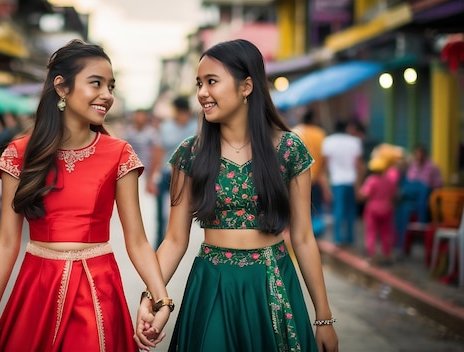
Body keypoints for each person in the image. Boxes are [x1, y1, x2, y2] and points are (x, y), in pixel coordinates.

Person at [137, 39, 338, 352]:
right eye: (199, 84)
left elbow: (302, 237)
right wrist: (151, 297)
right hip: (212, 282)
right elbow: (175, 240)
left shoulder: (289, 150)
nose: (202, 92)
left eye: (212, 82)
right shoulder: (190, 154)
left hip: (272, 283)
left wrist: (323, 317)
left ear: (246, 87)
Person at [0, 39, 171, 352]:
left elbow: (137, 241)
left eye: (111, 86)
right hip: (36, 289)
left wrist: (161, 299)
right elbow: (7, 241)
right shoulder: (20, 154)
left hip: (98, 291)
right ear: (62, 87)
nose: (106, 95)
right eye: (96, 83)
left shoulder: (120, 154)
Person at [146, 96, 197, 249]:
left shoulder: (196, 127)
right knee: (161, 215)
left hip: (190, 177)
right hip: (167, 174)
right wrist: (151, 179)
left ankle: (177, 245)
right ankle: (159, 247)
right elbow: (158, 152)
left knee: (184, 215)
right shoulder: (166, 127)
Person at [322, 120, 364, 246]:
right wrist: (359, 183)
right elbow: (358, 165)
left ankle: (338, 238)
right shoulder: (355, 141)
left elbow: (325, 165)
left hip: (337, 180)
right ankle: (350, 238)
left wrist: (326, 186)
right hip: (352, 180)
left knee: (338, 210)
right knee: (351, 210)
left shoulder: (328, 141)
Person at [293, 109, 331, 237]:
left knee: (301, 210)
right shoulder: (320, 134)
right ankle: (315, 236)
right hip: (316, 179)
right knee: (317, 209)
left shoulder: (295, 132)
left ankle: (303, 235)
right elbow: (324, 158)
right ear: (313, 120)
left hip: (297, 179)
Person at [358, 156, 398, 265]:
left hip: (373, 210)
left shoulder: (371, 180)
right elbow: (394, 195)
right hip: (387, 209)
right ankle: (387, 255)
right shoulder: (389, 181)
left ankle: (372, 255)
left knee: (371, 232)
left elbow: (364, 195)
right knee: (386, 233)